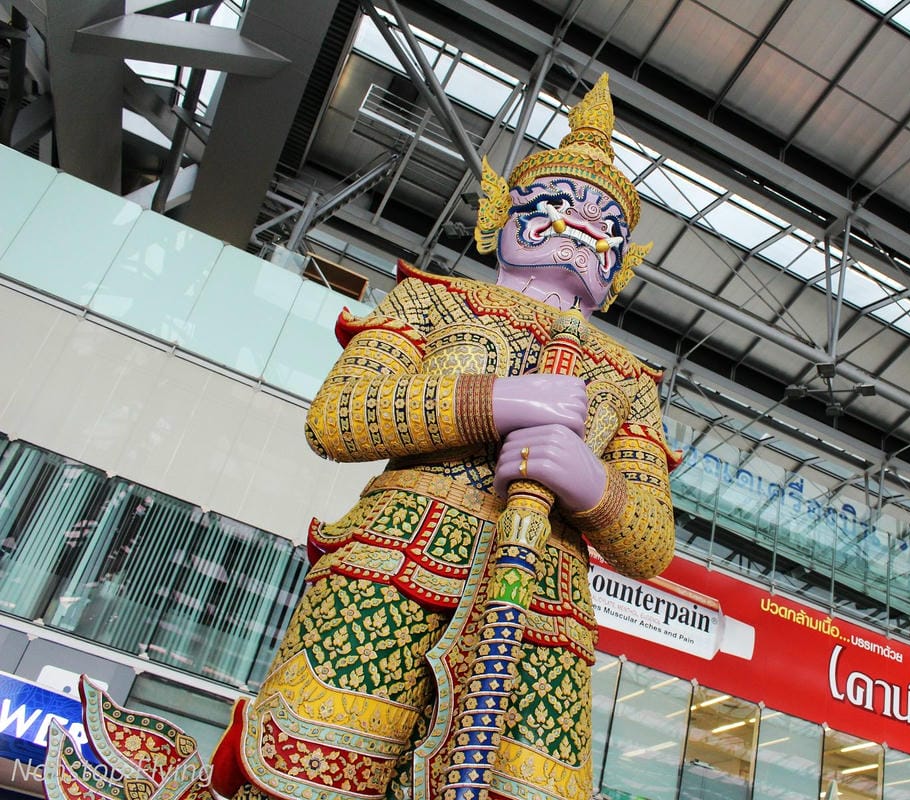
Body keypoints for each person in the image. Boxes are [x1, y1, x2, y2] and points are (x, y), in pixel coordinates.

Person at [205, 73, 677, 800]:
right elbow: (337, 417)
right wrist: (496, 401)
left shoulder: (629, 378)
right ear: (501, 215)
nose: (583, 229)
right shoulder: (432, 298)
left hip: (542, 608)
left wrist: (589, 480)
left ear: (620, 265)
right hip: (395, 562)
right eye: (556, 207)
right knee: (321, 770)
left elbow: (649, 542)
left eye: (607, 228)